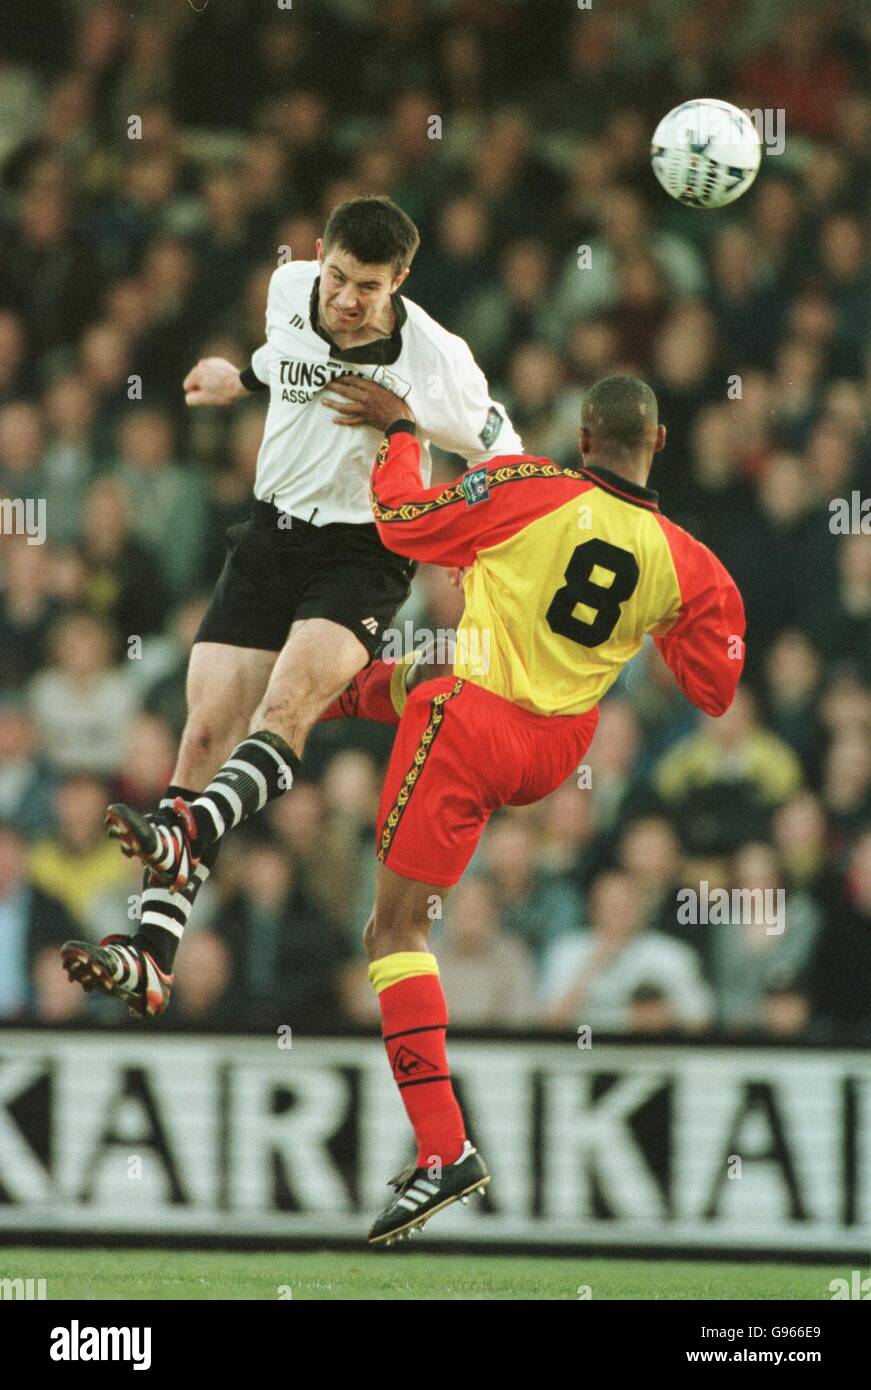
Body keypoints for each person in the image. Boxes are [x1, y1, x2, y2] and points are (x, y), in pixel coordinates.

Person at [61, 195, 520, 1017]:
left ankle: (189, 830)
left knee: (286, 707)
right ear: (318, 254)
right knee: (201, 734)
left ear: (400, 282)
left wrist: (422, 445)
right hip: (270, 539)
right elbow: (283, 361)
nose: (346, 298)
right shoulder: (289, 289)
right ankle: (152, 958)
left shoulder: (435, 360)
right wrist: (233, 378)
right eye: (339, 276)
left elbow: (502, 450)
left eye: (368, 287)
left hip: (363, 554)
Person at [359, 373, 744, 1242]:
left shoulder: (528, 486)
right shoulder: (688, 560)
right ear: (660, 443)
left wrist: (398, 435)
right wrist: (653, 623)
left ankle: (443, 1152)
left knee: (391, 934)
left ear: (580, 436)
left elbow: (403, 524)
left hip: (477, 725)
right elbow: (713, 688)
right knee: (411, 679)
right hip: (556, 749)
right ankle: (312, 703)